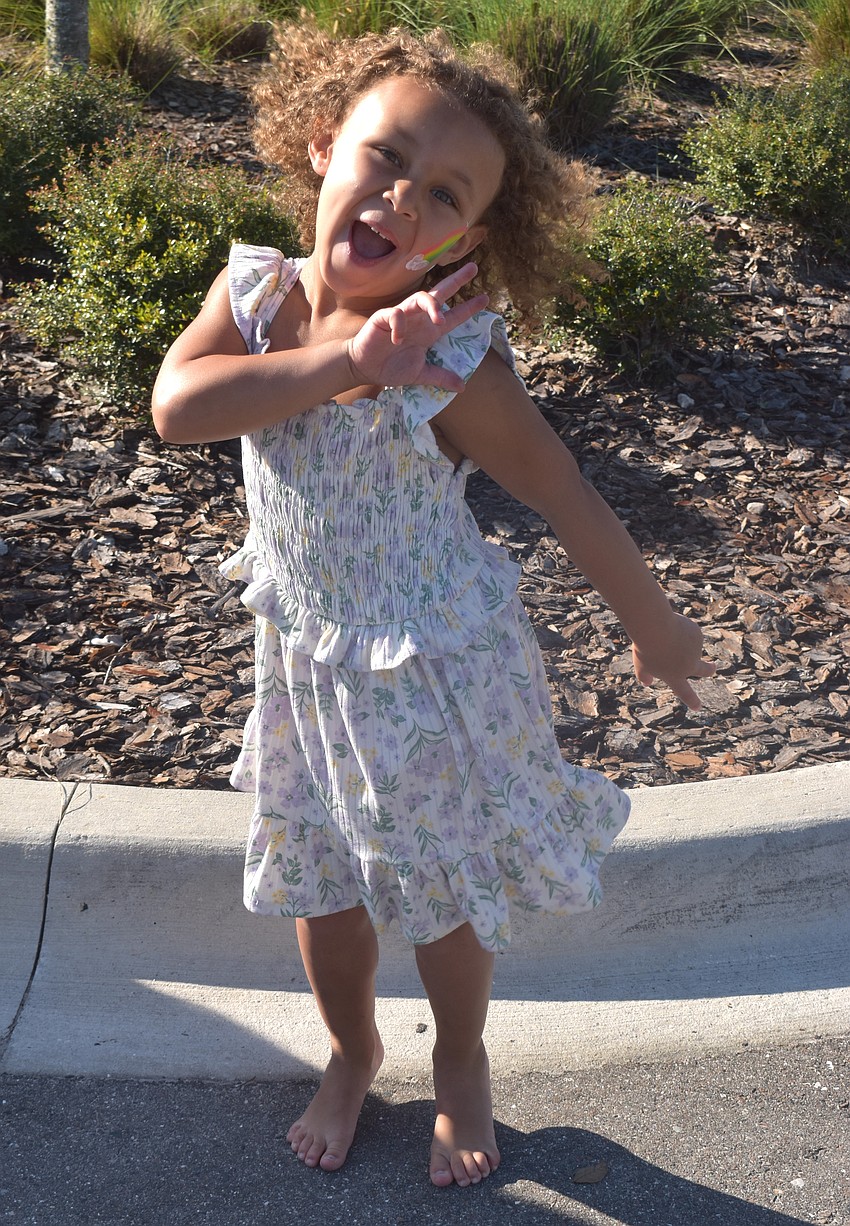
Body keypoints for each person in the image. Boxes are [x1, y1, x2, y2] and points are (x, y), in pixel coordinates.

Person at [152, 23, 715, 1189]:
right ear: (321, 147)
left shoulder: (457, 363)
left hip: (427, 669)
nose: (404, 197)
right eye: (385, 157)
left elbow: (558, 483)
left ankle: (460, 1057)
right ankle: (353, 1049)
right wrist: (353, 357)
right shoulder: (254, 296)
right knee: (321, 877)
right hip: (305, 659)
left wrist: (653, 620)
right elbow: (181, 405)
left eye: (445, 192)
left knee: (439, 889)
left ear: (468, 239)